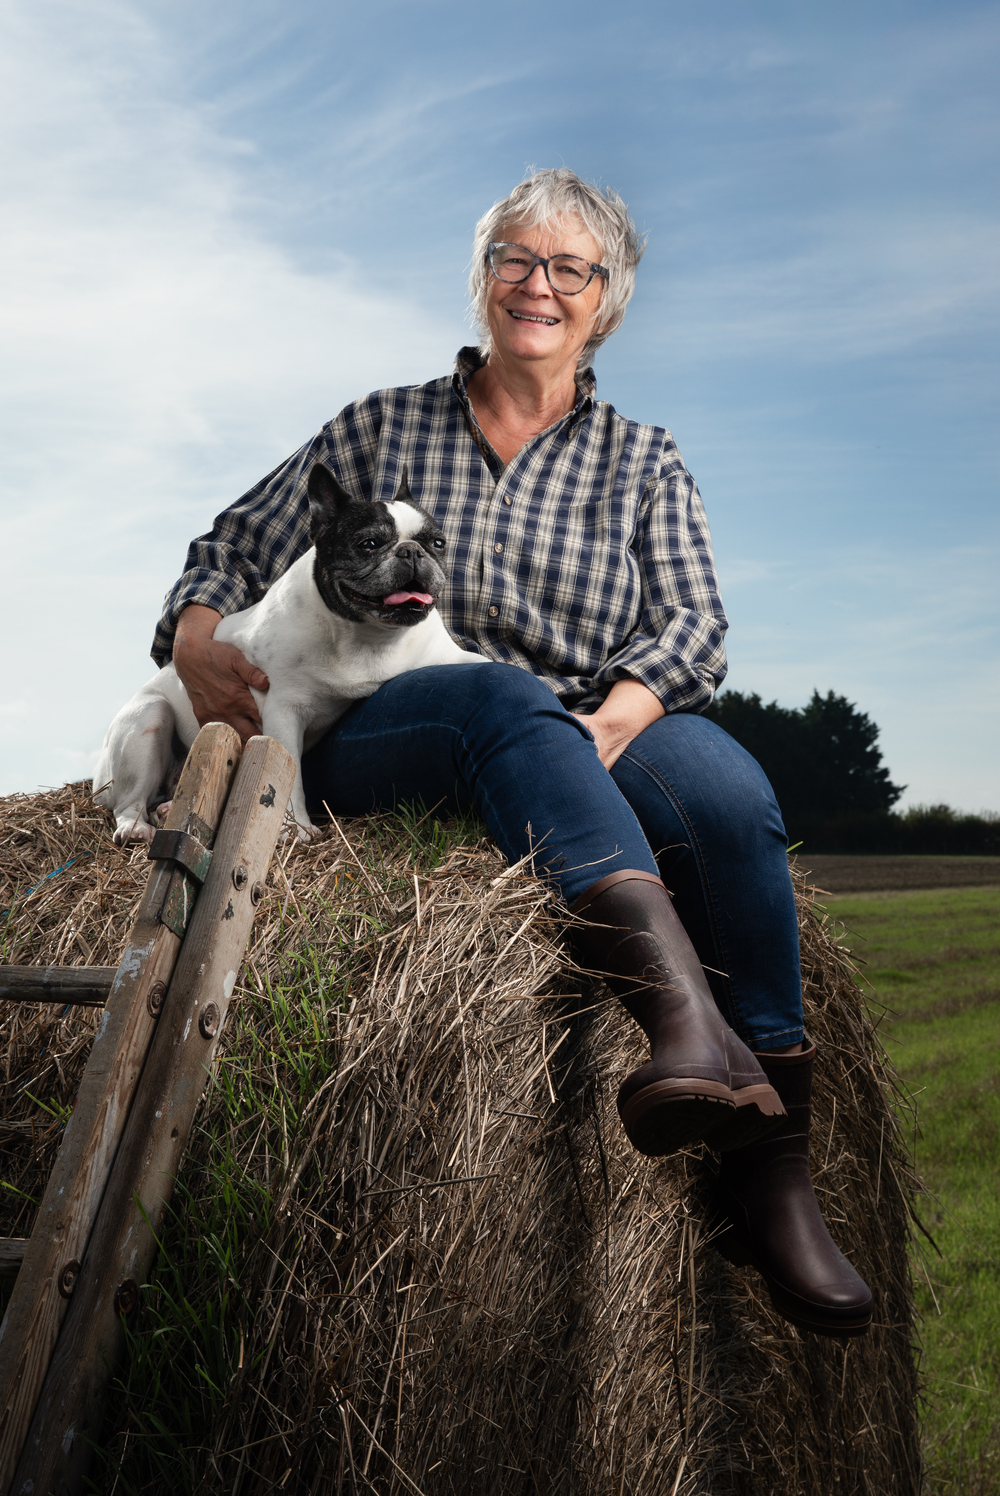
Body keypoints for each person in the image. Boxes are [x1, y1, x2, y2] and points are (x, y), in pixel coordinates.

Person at [154, 169, 872, 1338]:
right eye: (514, 261)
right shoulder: (381, 425)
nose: (537, 286)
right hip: (401, 722)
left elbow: (693, 623)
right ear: (483, 279)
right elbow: (233, 539)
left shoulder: (642, 459)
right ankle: (683, 1023)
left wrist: (621, 717)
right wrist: (193, 635)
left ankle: (770, 1173)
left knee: (731, 796)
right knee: (490, 694)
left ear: (608, 302)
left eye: (568, 269)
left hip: (594, 721)